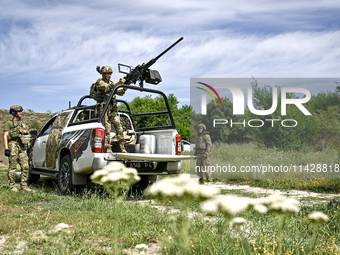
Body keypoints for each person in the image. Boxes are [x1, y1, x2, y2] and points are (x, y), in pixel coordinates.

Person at [90, 66, 127, 153]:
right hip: (103, 109)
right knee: (107, 129)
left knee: (119, 127)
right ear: (103, 74)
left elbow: (120, 92)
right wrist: (118, 83)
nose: (109, 75)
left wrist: (125, 86)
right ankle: (108, 148)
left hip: (112, 109)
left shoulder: (112, 83)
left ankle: (122, 147)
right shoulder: (99, 82)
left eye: (110, 73)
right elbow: (107, 87)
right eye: (107, 73)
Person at [3, 105, 32, 192]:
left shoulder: (23, 123)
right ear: (14, 113)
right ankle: (12, 186)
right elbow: (5, 136)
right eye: (19, 112)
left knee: (25, 166)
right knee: (13, 167)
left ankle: (24, 186)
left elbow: (26, 135)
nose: (21, 113)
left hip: (22, 147)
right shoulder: (9, 123)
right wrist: (6, 149)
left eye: (21, 111)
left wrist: (28, 145)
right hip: (13, 145)